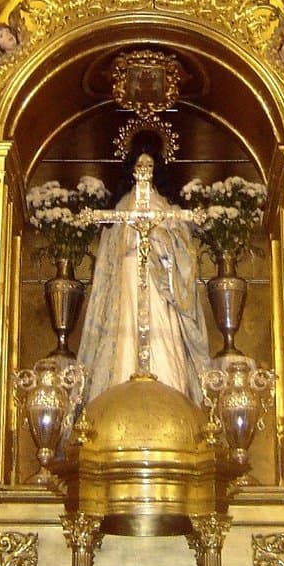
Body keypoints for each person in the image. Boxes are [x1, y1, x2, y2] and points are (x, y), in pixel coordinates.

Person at [77, 150, 210, 404]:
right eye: (140, 164)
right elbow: (113, 246)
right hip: (128, 273)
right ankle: (121, 399)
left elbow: (181, 251)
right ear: (132, 169)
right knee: (126, 333)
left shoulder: (167, 208)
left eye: (149, 164)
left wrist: (161, 244)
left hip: (160, 279)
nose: (145, 169)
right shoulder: (122, 207)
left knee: (163, 332)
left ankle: (170, 399)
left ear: (157, 169)